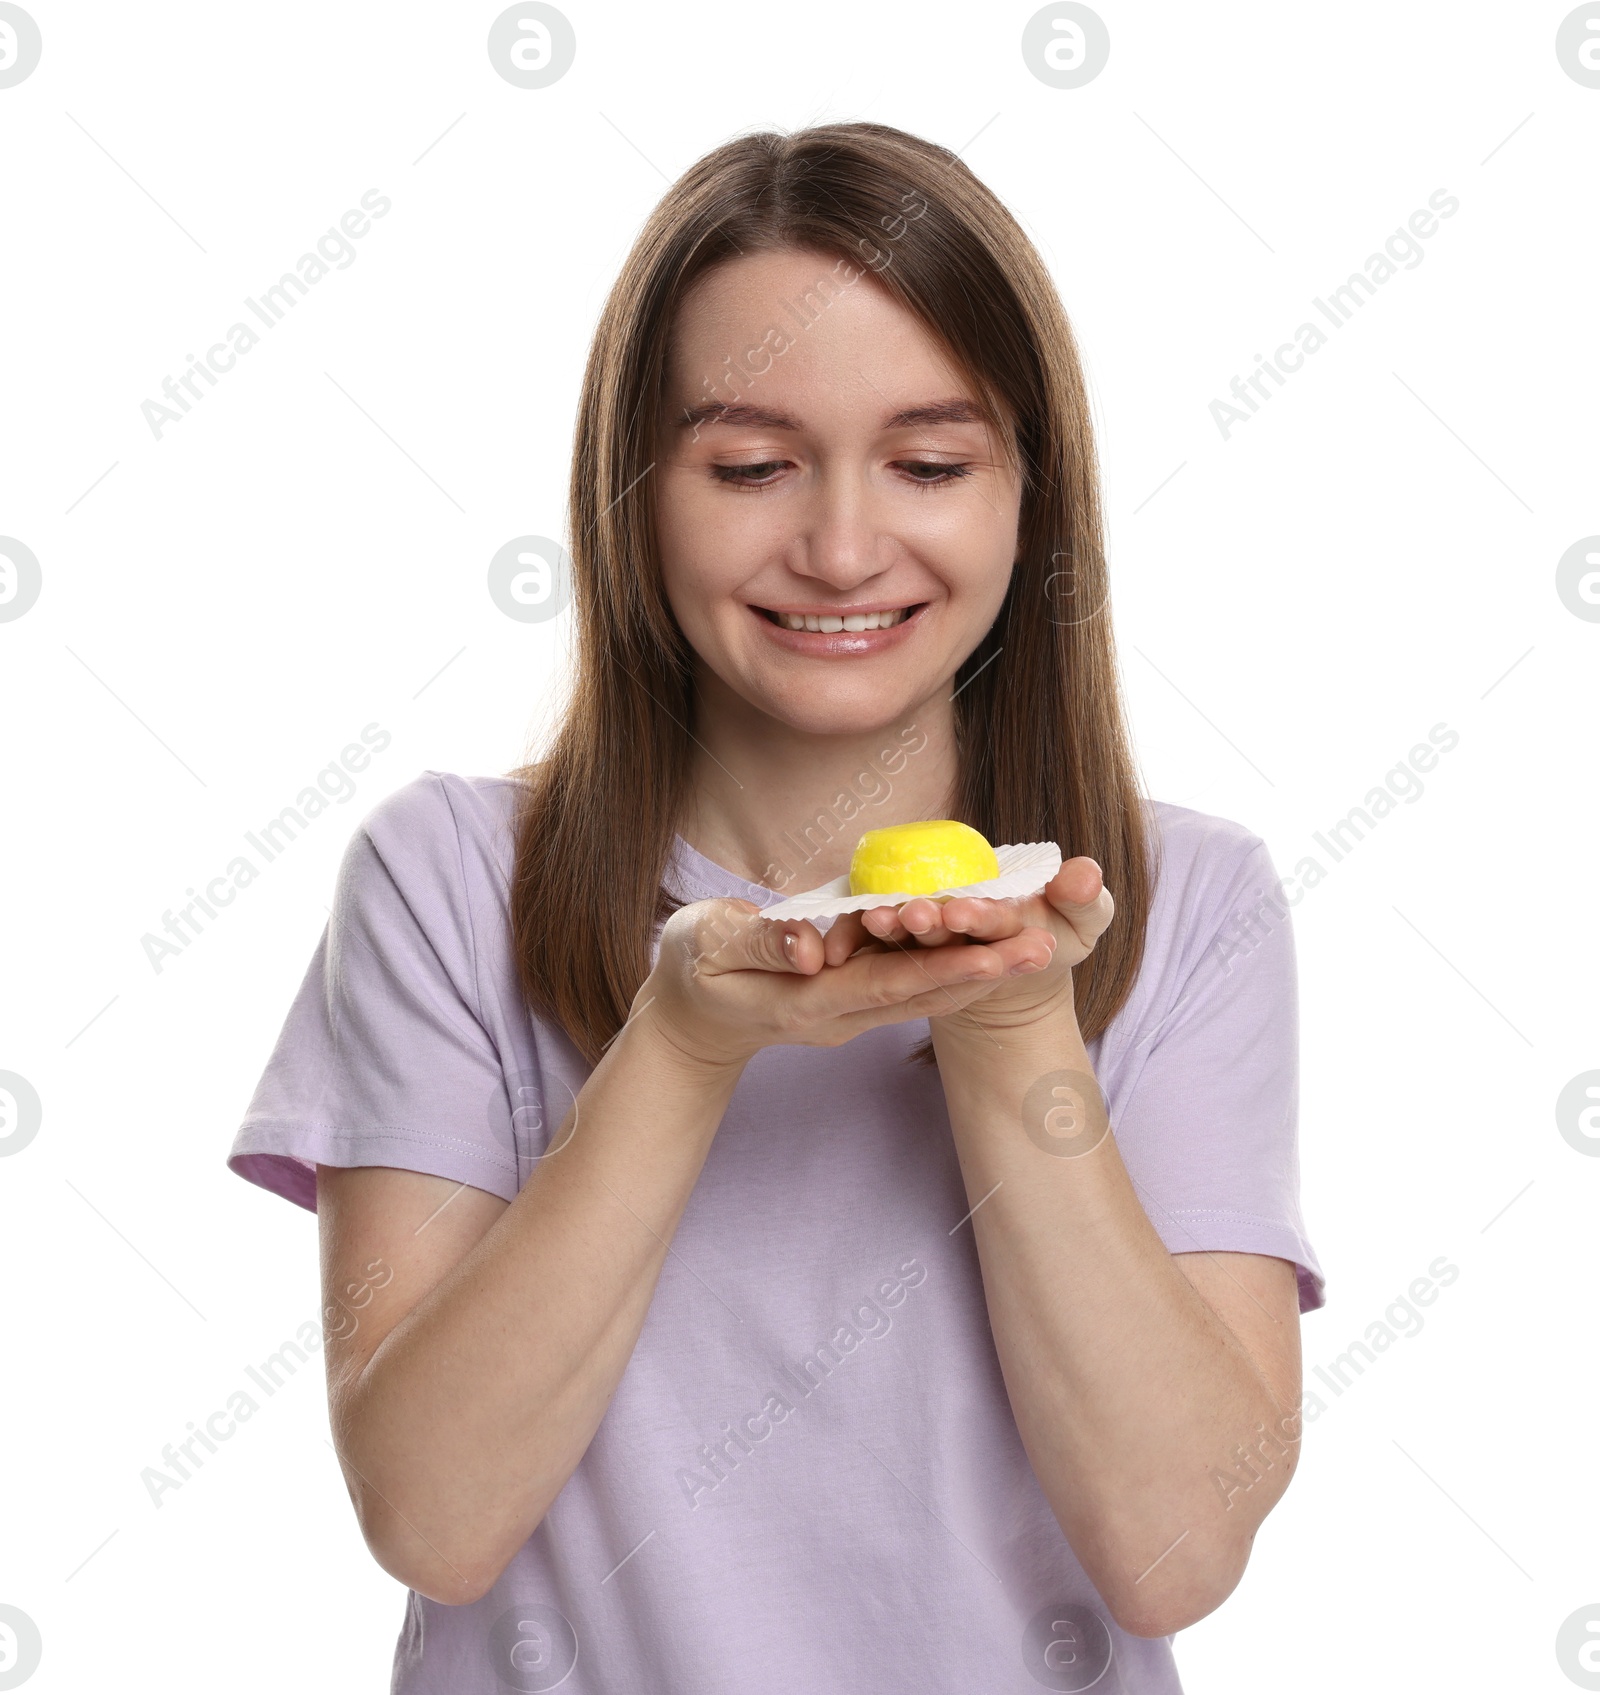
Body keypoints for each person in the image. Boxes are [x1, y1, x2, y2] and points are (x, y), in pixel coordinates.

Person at [228, 119, 1325, 1694]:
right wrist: (677, 1048)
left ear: (1033, 497)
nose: (840, 547)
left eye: (932, 465)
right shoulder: (450, 882)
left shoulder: (1188, 905)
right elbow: (431, 1516)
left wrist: (1012, 1022)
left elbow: (1174, 1547)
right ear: (635, 496)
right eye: (750, 466)